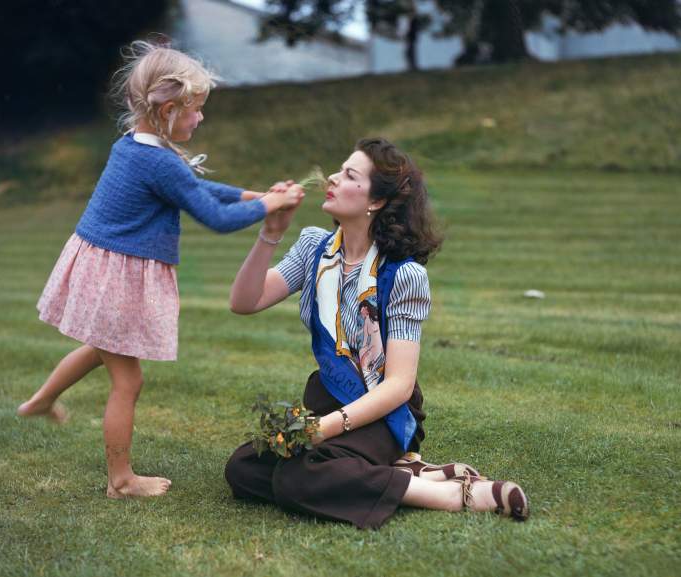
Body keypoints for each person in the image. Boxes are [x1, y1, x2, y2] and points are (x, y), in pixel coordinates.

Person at [17, 40, 303, 499]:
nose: (201, 118)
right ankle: (121, 480)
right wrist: (268, 205)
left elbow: (194, 185)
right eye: (196, 109)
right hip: (116, 274)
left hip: (105, 266)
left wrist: (250, 194)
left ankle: (40, 401)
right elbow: (214, 217)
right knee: (128, 379)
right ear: (168, 109)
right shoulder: (156, 161)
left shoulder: (136, 145)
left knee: (99, 348)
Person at [225, 137, 528, 528]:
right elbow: (244, 302)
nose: (332, 177)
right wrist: (270, 232)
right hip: (327, 397)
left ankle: (451, 494)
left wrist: (324, 429)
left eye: (349, 174)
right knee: (243, 468)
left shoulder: (403, 275)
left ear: (376, 202)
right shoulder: (314, 248)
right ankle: (408, 473)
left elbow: (398, 385)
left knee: (299, 476)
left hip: (385, 410)